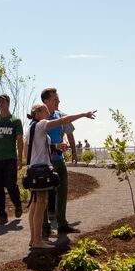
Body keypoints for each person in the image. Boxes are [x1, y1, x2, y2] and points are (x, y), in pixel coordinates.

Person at [25, 103, 96, 249]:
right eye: (45, 111)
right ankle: (38, 241)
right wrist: (83, 114)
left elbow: (34, 148)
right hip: (41, 171)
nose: (48, 113)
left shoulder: (32, 127)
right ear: (38, 112)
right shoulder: (42, 124)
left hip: (33, 169)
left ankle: (34, 239)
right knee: (41, 204)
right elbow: (63, 121)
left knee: (34, 205)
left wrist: (56, 147)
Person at [38, 86, 79, 236]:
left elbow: (69, 133)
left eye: (58, 99)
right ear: (46, 101)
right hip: (45, 162)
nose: (58, 101)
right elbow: (37, 141)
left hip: (59, 160)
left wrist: (74, 151)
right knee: (43, 193)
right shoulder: (40, 118)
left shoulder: (61, 115)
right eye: (55, 99)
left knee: (62, 191)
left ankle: (62, 223)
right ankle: (45, 227)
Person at [0, 94, 24, 226]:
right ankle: (2, 214)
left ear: (8, 103)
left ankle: (17, 204)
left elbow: (19, 140)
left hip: (10, 159)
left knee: (11, 185)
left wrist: (20, 159)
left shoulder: (15, 121)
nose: (1, 104)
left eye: (3, 102)